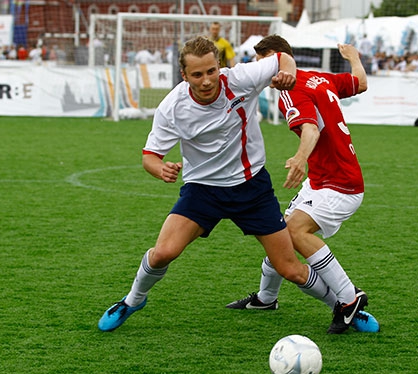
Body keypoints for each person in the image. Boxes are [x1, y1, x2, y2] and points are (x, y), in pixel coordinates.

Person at [97, 36, 359, 334]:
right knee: (163, 252)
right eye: (197, 74)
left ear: (219, 66)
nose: (207, 81)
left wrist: (287, 71)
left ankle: (345, 308)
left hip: (252, 188)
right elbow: (149, 156)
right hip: (203, 190)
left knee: (291, 269)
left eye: (211, 71)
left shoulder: (241, 78)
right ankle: (132, 301)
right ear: (184, 75)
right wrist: (160, 169)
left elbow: (283, 58)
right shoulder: (172, 107)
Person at [226, 35, 372, 335]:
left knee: (294, 232)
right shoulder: (319, 78)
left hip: (338, 184)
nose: (259, 70)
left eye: (262, 62)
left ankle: (349, 297)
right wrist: (354, 57)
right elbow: (360, 83)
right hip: (324, 180)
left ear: (276, 58)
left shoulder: (290, 89)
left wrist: (299, 158)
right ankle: (266, 298)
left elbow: (311, 129)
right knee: (279, 234)